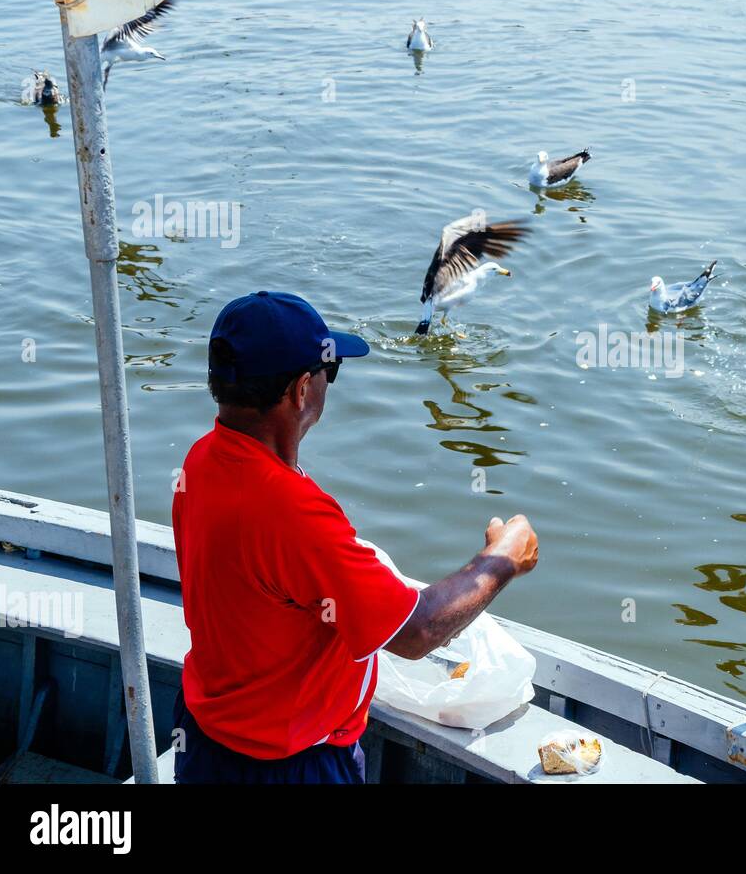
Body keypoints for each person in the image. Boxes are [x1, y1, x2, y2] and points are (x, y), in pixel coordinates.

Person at [171, 290, 538, 783]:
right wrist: (503, 559)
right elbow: (416, 631)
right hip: (288, 766)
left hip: (206, 741)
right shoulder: (291, 512)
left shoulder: (202, 461)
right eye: (330, 373)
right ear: (302, 389)